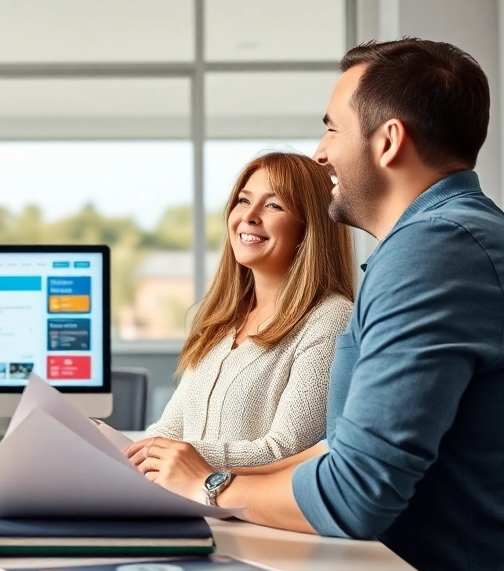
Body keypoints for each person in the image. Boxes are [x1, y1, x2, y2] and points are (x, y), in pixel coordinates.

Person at [129, 38, 504, 571]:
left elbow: (355, 493)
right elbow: (336, 453)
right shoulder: (434, 244)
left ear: (388, 141)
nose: (319, 154)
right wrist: (194, 475)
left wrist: (210, 486)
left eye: (332, 130)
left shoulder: (437, 251)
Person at [135, 152, 354, 468]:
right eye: (242, 200)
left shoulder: (330, 319)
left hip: (248, 514)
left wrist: (182, 456)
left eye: (273, 205)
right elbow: (169, 430)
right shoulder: (220, 319)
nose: (249, 216)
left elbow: (289, 453)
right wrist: (128, 452)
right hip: (187, 501)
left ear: (310, 226)